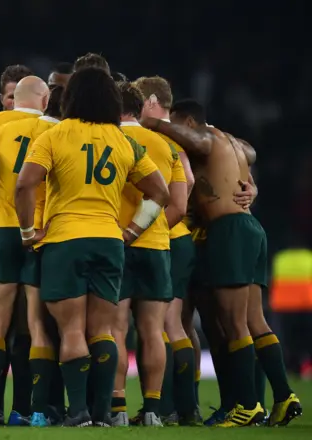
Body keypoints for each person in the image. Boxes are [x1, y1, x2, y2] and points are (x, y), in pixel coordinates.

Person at [15, 67, 169, 427]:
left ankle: (78, 413)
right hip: (109, 241)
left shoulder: (55, 135)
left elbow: (25, 186)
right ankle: (103, 413)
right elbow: (159, 192)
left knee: (70, 330)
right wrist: (130, 231)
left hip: (65, 240)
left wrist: (26, 233)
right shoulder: (123, 141)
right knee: (102, 331)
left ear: (69, 98)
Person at [144, 99, 301, 427]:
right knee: (255, 321)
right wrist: (250, 183)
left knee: (234, 324)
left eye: (177, 127)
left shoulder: (207, 139)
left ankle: (248, 405)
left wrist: (154, 123)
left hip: (228, 231)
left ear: (187, 122)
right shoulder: (231, 142)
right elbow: (251, 151)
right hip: (250, 228)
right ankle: (284, 396)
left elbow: (200, 140)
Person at [0, 85, 60, 428]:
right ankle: (35, 412)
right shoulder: (55, 130)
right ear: (45, 100)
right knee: (36, 326)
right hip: (40, 232)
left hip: (2, 230)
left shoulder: (1, 129)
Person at [111, 82, 190, 427]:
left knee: (115, 329)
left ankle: (117, 411)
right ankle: (155, 410)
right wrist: (151, 230)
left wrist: (127, 233)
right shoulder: (166, 144)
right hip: (157, 246)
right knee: (153, 330)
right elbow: (180, 205)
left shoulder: (108, 140)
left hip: (116, 243)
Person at [131, 76, 199, 425]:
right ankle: (183, 407)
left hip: (163, 236)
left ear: (152, 100)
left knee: (166, 325)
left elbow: (185, 181)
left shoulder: (165, 134)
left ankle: (172, 406)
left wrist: (151, 226)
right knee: (177, 325)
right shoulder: (180, 137)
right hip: (180, 236)